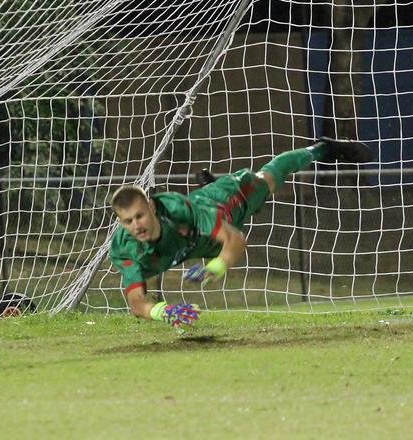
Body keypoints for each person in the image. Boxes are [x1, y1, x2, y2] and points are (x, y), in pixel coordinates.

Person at [109, 137, 375, 331]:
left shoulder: (180, 210)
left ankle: (324, 147)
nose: (136, 226)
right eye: (128, 221)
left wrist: (215, 267)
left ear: (152, 207)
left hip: (221, 206)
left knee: (268, 179)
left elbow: (236, 241)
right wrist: (162, 311)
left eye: (140, 216)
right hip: (201, 241)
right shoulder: (125, 249)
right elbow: (136, 303)